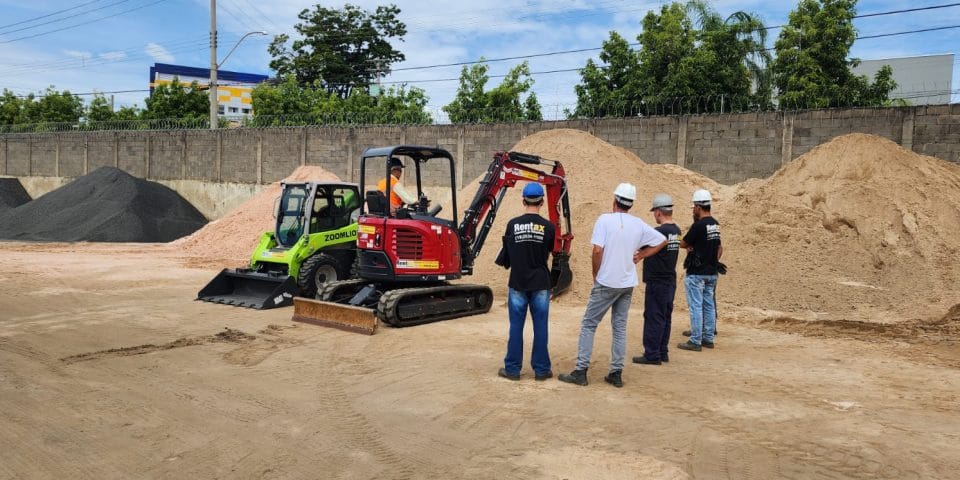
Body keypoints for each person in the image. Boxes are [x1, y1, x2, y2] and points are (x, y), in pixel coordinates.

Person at [558, 183, 667, 388]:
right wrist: (641, 255)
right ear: (631, 203)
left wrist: (595, 273)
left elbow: (597, 250)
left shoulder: (604, 220)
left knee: (589, 324)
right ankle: (616, 372)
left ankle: (580, 371)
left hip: (607, 281)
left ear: (615, 200)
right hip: (627, 283)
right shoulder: (638, 223)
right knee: (619, 327)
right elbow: (662, 240)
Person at [494, 183, 555, 381]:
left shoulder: (513, 224)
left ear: (523, 201)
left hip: (518, 282)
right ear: (542, 202)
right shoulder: (548, 227)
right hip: (540, 283)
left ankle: (512, 370)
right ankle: (542, 370)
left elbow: (508, 256)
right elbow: (549, 252)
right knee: (541, 327)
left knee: (516, 327)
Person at [633, 193, 681, 365]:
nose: (654, 215)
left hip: (657, 281)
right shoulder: (676, 231)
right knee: (665, 316)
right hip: (669, 280)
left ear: (659, 212)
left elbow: (640, 247)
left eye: (655, 212)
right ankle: (662, 350)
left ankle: (652, 354)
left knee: (654, 316)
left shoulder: (659, 232)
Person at [678, 189, 722, 352]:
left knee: (696, 306)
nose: (693, 210)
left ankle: (695, 340)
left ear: (698, 206)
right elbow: (719, 247)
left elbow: (683, 243)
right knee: (708, 305)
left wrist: (675, 238)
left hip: (697, 272)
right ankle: (708, 338)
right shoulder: (715, 224)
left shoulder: (699, 225)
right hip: (711, 271)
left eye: (693, 207)